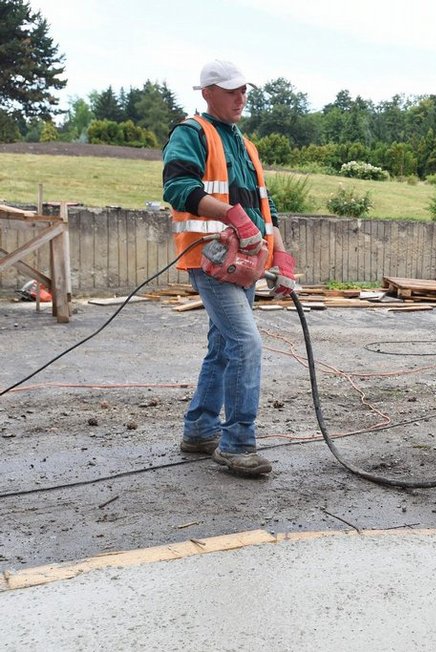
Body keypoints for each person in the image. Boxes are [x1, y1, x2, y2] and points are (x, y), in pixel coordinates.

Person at [162, 60, 297, 478]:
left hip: (246, 264)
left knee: (224, 345)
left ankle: (200, 431)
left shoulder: (245, 144)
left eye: (244, 91)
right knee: (246, 344)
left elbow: (264, 209)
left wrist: (282, 259)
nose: (241, 98)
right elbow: (177, 187)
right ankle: (238, 444)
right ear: (207, 93)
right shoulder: (192, 133)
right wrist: (233, 217)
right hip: (211, 257)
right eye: (231, 90)